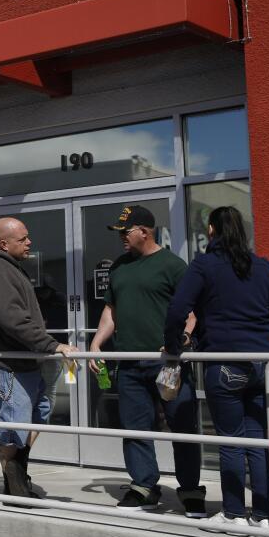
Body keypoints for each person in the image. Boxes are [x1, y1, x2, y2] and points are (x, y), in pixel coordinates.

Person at [165, 206, 269, 533]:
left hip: (225, 361)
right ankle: (264, 515)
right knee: (259, 439)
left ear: (211, 231)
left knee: (232, 440)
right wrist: (256, 322)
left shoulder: (205, 265)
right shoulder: (262, 266)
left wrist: (173, 345)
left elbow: (178, 309)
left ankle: (235, 513)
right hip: (267, 363)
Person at [88, 204, 205, 516]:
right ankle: (143, 486)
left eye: (126, 233)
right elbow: (111, 311)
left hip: (167, 364)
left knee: (182, 427)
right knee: (135, 427)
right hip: (129, 363)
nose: (122, 239)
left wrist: (183, 339)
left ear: (145, 232)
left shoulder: (173, 266)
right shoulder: (119, 268)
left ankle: (191, 489)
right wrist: (97, 343)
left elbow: (192, 312)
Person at [0, 217, 77, 498]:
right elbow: (10, 317)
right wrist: (50, 344)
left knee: (36, 416)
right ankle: (16, 486)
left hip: (26, 362)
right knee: (14, 427)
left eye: (28, 237)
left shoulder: (10, 268)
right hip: (8, 364)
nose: (29, 242)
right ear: (4, 244)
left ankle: (17, 476)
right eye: (23, 239)